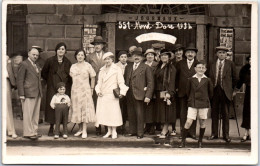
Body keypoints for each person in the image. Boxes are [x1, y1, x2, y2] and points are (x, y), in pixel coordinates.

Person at [179, 61, 213, 148]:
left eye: (203, 68)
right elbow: (188, 91)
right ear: (195, 69)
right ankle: (183, 141)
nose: (201, 69)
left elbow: (210, 93)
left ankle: (200, 141)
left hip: (203, 104)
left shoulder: (208, 80)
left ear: (205, 69)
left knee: (202, 121)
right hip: (193, 103)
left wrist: (205, 100)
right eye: (199, 67)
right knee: (189, 121)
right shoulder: (191, 79)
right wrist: (191, 100)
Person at [95, 52, 129, 139]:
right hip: (103, 95)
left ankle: (114, 131)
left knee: (113, 114)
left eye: (109, 59)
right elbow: (99, 82)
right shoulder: (102, 70)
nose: (107, 61)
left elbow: (121, 82)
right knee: (106, 114)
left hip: (112, 95)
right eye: (105, 59)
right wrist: (98, 91)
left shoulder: (117, 69)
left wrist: (122, 92)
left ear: (112, 59)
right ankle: (109, 131)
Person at [42, 42, 72, 136]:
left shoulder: (68, 62)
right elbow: (44, 73)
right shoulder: (50, 61)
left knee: (63, 107)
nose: (61, 51)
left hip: (64, 88)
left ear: (65, 51)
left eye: (63, 49)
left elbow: (70, 76)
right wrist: (51, 82)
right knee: (52, 107)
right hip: (52, 88)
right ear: (56, 50)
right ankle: (52, 127)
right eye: (59, 49)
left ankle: (63, 128)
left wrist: (66, 87)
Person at [207, 46, 237, 143]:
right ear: (216, 54)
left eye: (223, 53)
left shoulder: (230, 64)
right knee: (214, 113)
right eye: (220, 52)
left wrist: (234, 91)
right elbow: (207, 77)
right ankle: (214, 134)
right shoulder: (211, 63)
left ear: (226, 54)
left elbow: (235, 78)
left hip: (226, 91)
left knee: (225, 113)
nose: (221, 54)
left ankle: (226, 135)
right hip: (214, 91)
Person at [124, 47, 154, 139]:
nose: (136, 57)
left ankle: (140, 132)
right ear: (132, 57)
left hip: (140, 94)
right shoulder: (128, 67)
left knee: (140, 114)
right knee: (131, 113)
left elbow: (150, 82)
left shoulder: (146, 67)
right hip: (129, 93)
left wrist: (148, 95)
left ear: (141, 57)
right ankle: (132, 131)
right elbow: (125, 80)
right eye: (134, 55)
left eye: (138, 56)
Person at [69, 49, 96, 139]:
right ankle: (80, 129)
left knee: (85, 109)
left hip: (85, 91)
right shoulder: (73, 66)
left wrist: (92, 88)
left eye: (82, 55)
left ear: (84, 56)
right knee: (77, 109)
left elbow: (93, 77)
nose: (80, 56)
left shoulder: (88, 66)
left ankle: (84, 130)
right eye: (78, 55)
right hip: (75, 91)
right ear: (76, 56)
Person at [17, 47, 42, 140]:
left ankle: (34, 131)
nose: (35, 56)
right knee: (28, 114)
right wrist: (21, 94)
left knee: (35, 114)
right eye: (33, 54)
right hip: (28, 92)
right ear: (29, 54)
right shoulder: (24, 64)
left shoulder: (36, 65)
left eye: (37, 55)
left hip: (37, 92)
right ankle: (28, 133)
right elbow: (20, 80)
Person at [176, 43, 199, 140]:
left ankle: (192, 132)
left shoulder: (199, 64)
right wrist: (176, 88)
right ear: (185, 54)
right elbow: (176, 77)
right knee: (183, 112)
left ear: (195, 54)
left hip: (194, 92)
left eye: (192, 52)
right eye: (188, 52)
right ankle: (183, 132)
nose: (190, 54)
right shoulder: (180, 64)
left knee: (193, 112)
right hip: (182, 91)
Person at [153, 49, 177, 139]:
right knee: (162, 112)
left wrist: (169, 93)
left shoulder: (171, 68)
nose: (164, 57)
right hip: (159, 91)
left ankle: (165, 130)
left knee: (167, 112)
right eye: (162, 55)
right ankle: (165, 130)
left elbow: (172, 82)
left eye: (166, 55)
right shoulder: (159, 66)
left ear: (169, 57)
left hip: (166, 92)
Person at [88, 36, 106, 136]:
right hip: (94, 84)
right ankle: (97, 127)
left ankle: (107, 127)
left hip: (105, 84)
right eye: (95, 44)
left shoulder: (107, 56)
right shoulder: (90, 57)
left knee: (106, 105)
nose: (97, 46)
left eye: (99, 44)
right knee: (96, 106)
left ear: (103, 45)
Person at [234, 56, 251, 142]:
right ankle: (246, 133)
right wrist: (235, 91)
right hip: (249, 93)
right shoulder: (245, 69)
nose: (251, 61)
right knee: (247, 112)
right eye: (250, 59)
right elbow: (241, 81)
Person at [170, 43, 185, 136]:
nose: (178, 52)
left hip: (183, 89)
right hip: (173, 89)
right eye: (176, 51)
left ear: (183, 52)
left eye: (180, 51)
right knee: (173, 109)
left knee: (183, 109)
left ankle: (183, 128)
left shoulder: (185, 61)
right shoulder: (172, 62)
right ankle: (173, 128)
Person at [143, 48, 158, 135]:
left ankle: (152, 127)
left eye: (152, 55)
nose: (150, 56)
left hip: (154, 89)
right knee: (146, 108)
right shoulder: (143, 64)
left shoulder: (156, 65)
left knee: (153, 109)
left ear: (154, 56)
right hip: (144, 88)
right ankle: (146, 126)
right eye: (148, 55)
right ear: (145, 56)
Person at [116, 51, 128, 135]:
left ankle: (123, 126)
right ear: (119, 58)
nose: (123, 58)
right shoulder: (116, 66)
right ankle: (117, 126)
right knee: (118, 108)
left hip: (126, 90)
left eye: (125, 57)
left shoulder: (129, 66)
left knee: (125, 109)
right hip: (118, 90)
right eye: (122, 57)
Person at [6, 55, 18, 139]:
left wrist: (14, 84)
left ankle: (11, 130)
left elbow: (10, 72)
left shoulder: (6, 58)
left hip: (4, 81)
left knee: (7, 106)